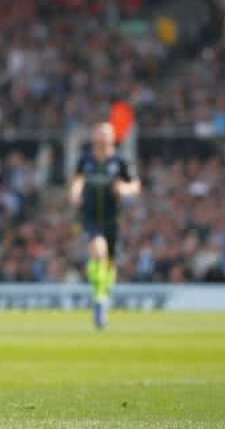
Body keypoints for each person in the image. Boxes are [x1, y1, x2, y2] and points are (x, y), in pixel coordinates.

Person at [69, 121, 140, 329]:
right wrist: (75, 193)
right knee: (98, 251)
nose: (101, 137)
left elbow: (135, 184)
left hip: (112, 218)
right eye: (98, 132)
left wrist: (125, 190)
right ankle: (99, 301)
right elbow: (77, 180)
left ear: (112, 138)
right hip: (90, 217)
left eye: (105, 133)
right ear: (93, 136)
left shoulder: (120, 161)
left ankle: (103, 295)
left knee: (109, 263)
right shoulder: (85, 160)